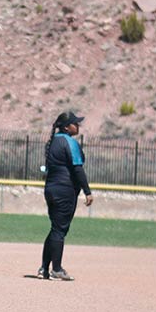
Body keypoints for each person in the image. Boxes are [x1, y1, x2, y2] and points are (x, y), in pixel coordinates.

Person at [38, 111, 93, 281]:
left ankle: (44, 269)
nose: (78, 126)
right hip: (65, 190)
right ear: (66, 127)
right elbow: (77, 168)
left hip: (51, 189)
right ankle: (56, 270)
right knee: (60, 229)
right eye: (75, 123)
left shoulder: (53, 141)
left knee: (56, 228)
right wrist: (87, 191)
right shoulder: (69, 142)